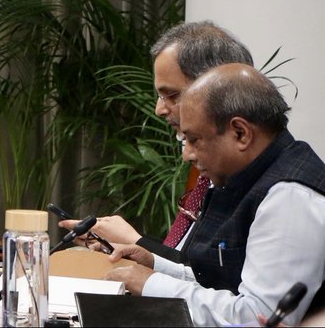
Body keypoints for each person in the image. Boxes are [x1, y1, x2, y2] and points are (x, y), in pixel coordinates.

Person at [104, 63, 325, 326]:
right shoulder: (246, 176)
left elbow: (256, 318)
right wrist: (154, 265)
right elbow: (222, 282)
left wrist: (151, 284)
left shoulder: (290, 198)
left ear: (240, 133)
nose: (187, 154)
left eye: (194, 140)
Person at [60, 20, 253, 258]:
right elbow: (191, 269)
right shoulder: (209, 173)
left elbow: (214, 284)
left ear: (219, 88)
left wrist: (136, 242)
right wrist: (132, 252)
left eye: (171, 95)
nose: (158, 110)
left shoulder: (264, 188)